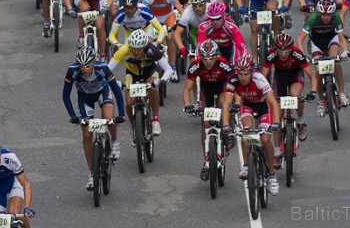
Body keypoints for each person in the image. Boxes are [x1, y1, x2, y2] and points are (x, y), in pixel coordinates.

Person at [63, 47, 126, 191]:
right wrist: (72, 115)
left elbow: (116, 90)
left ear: (94, 63)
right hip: (84, 98)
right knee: (86, 132)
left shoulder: (102, 68)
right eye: (82, 66)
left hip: (102, 92)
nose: (85, 69)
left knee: (109, 118)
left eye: (88, 66)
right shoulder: (72, 71)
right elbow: (65, 95)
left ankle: (115, 141)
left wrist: (121, 115)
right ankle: (92, 172)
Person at [219, 54, 281, 196]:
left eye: (246, 74)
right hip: (247, 105)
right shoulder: (233, 80)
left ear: (252, 72)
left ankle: (272, 176)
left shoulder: (259, 79)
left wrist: (276, 122)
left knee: (265, 139)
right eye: (240, 74)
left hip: (263, 106)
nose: (243, 77)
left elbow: (273, 102)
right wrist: (226, 125)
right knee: (246, 131)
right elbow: (227, 103)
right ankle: (246, 166)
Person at [182, 40, 233, 181]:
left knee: (224, 103)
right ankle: (206, 161)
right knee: (205, 124)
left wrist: (232, 102)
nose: (208, 62)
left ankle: (228, 130)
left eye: (211, 59)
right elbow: (186, 89)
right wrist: (188, 104)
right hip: (207, 89)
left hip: (222, 86)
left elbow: (234, 84)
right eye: (205, 59)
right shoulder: (195, 66)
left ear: (216, 56)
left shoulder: (223, 64)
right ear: (201, 58)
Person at [108, 30, 173, 137]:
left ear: (144, 46)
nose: (136, 52)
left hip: (150, 72)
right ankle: (134, 129)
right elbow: (107, 71)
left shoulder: (152, 50)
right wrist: (115, 83)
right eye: (133, 49)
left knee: (151, 87)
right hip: (132, 74)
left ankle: (155, 120)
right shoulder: (123, 50)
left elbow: (168, 69)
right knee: (129, 102)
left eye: (139, 49)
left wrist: (162, 80)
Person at [296, 0, 350, 114]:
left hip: (331, 39)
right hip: (317, 43)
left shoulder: (336, 18)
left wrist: (345, 50)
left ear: (333, 13)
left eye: (329, 15)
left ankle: (341, 93)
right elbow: (300, 39)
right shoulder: (313, 19)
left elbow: (341, 37)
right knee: (318, 70)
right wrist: (302, 56)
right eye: (323, 14)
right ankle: (321, 100)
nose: (326, 17)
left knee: (335, 61)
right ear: (318, 13)